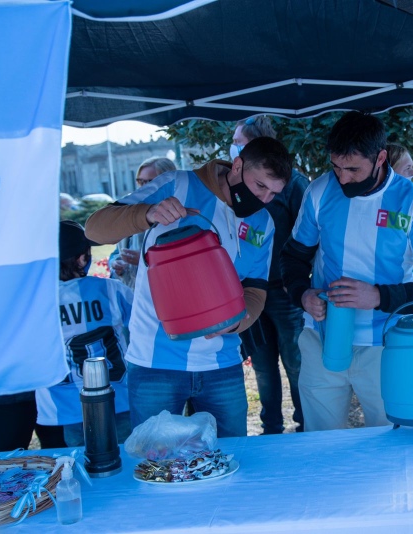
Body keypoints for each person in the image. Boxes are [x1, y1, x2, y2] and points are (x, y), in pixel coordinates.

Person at [85, 137, 291, 437]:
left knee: (228, 461)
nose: (265, 199)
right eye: (261, 186)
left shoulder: (263, 223)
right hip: (155, 363)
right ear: (237, 166)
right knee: (154, 462)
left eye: (274, 193)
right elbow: (95, 228)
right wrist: (147, 213)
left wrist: (237, 321)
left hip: (222, 366)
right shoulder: (176, 185)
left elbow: (256, 289)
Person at [280, 111, 413, 432]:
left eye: (352, 169)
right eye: (336, 167)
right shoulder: (319, 191)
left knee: (391, 447)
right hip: (321, 340)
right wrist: (301, 294)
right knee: (320, 446)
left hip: (387, 346)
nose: (342, 177)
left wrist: (377, 296)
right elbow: (292, 259)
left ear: (381, 158)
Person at [231, 117, 309, 434]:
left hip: (285, 291)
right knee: (262, 366)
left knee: (296, 363)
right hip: (248, 291)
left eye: (239, 141)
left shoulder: (293, 184)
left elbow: (309, 236)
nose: (234, 147)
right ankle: (271, 429)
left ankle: (306, 425)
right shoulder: (235, 184)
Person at [35, 221, 134, 446]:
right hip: (118, 398)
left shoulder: (34, 303)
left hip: (66, 405)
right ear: (82, 258)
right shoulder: (111, 289)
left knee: (84, 468)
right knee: (128, 465)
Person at [110, 157, 177, 289]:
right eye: (140, 181)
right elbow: (116, 253)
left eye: (151, 182)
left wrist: (145, 260)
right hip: (135, 291)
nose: (144, 187)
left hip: (168, 291)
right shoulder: (130, 210)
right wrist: (116, 264)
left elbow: (185, 259)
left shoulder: (180, 212)